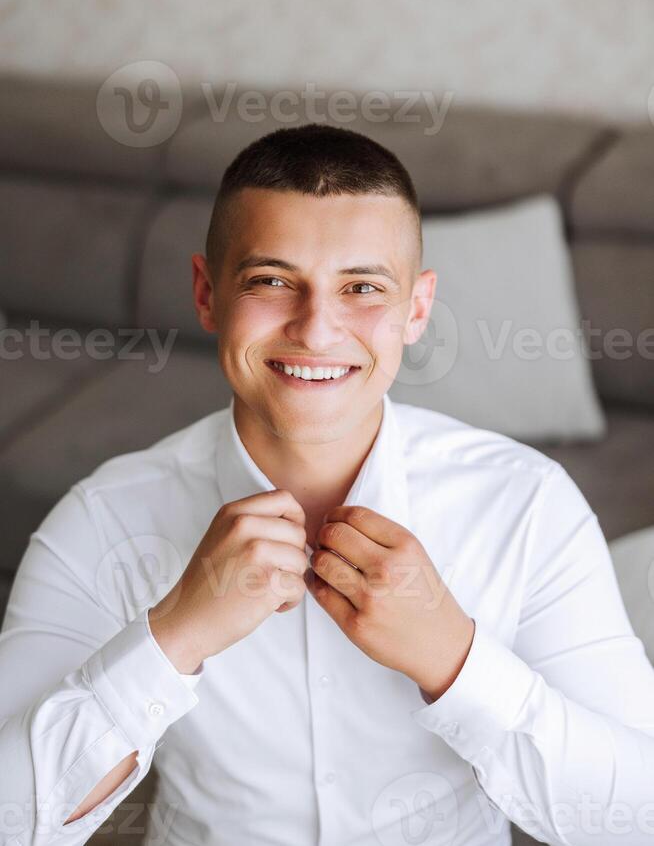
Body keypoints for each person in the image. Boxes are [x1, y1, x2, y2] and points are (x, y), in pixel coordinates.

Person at [1, 123, 654, 846]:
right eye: (272, 281)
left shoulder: (527, 506)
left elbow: (635, 817)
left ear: (417, 308)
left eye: (362, 287)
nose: (316, 330)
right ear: (206, 294)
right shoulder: (103, 521)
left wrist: (455, 660)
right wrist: (173, 637)